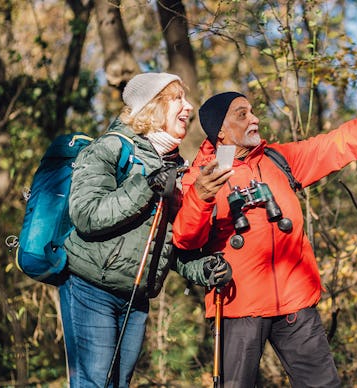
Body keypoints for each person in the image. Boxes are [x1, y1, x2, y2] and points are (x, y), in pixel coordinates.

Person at [172, 88, 357, 387]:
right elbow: (186, 239)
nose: (255, 119)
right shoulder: (200, 177)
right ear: (220, 131)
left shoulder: (278, 160)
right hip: (238, 307)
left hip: (295, 302)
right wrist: (202, 196)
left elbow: (342, 142)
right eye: (243, 114)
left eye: (252, 111)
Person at [59, 72, 230, 388]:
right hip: (90, 286)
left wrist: (203, 269)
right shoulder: (110, 147)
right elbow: (86, 215)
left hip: (136, 296)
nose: (188, 106)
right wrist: (146, 186)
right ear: (153, 106)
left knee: (119, 383)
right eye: (178, 98)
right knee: (94, 382)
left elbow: (169, 243)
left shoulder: (176, 165)